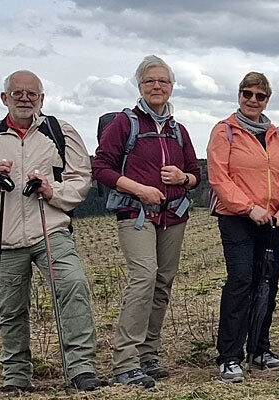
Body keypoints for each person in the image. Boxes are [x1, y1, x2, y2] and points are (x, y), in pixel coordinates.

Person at [0, 70, 102, 392]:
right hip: (4, 236)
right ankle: (16, 377)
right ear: (4, 98)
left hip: (51, 230)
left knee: (73, 285)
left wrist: (51, 190)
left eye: (32, 94)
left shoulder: (61, 132)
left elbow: (81, 180)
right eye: (17, 93)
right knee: (10, 310)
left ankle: (81, 369)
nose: (25, 98)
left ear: (42, 99)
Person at [92, 55, 200, 388]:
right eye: (150, 80)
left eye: (163, 81)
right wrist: (139, 189)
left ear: (171, 87)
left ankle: (148, 356)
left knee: (162, 282)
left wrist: (183, 178)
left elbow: (195, 175)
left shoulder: (178, 130)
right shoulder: (124, 124)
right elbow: (101, 168)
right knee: (144, 277)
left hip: (173, 214)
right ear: (139, 86)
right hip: (135, 213)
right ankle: (125, 362)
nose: (157, 86)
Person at [208, 72, 279, 383]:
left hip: (274, 220)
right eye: (247, 93)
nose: (253, 100)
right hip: (237, 219)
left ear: (267, 100)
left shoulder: (278, 135)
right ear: (239, 95)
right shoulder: (224, 132)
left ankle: (259, 348)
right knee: (241, 282)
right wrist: (249, 208)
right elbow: (219, 178)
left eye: (260, 96)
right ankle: (229, 356)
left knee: (267, 283)